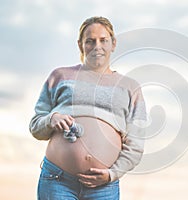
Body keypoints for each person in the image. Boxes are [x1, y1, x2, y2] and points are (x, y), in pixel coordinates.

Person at [29, 16, 147, 200]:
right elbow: (36, 126)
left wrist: (112, 174)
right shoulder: (59, 76)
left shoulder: (130, 87)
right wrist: (51, 119)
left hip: (104, 187)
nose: (97, 46)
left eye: (103, 40)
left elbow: (136, 143)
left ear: (113, 44)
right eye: (90, 41)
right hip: (56, 180)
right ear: (80, 45)